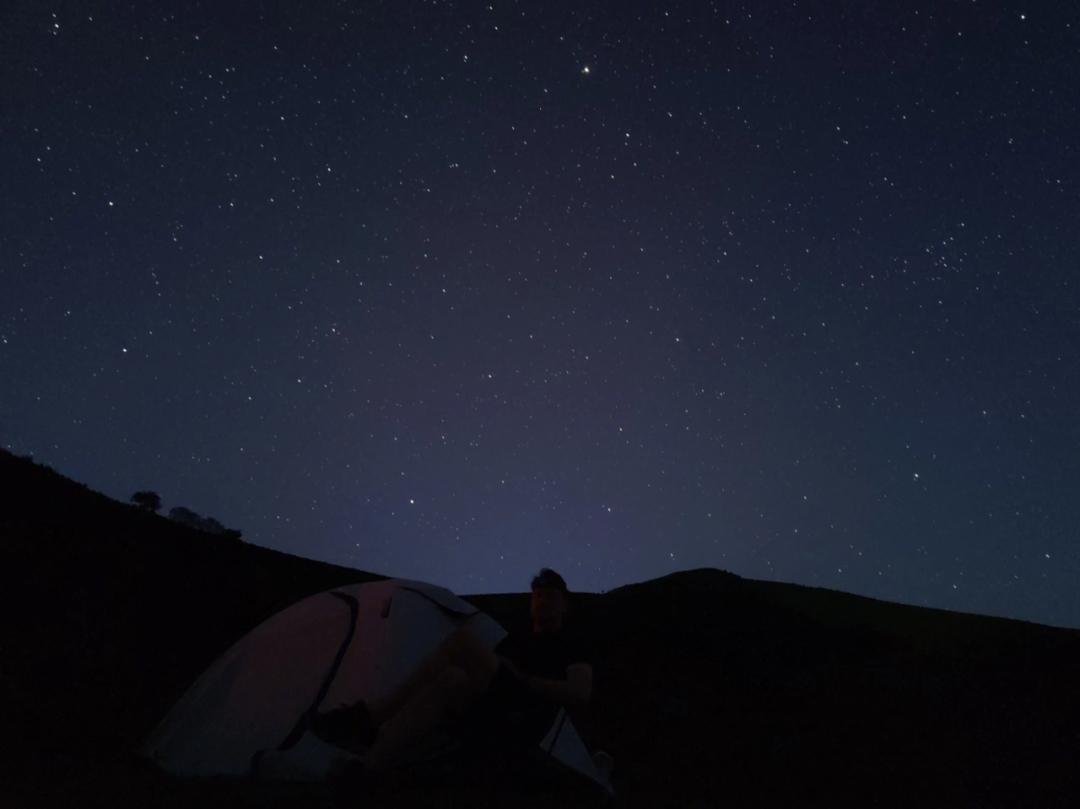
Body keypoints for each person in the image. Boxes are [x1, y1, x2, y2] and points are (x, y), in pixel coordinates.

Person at [309, 568, 593, 791]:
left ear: (565, 606)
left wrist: (524, 678)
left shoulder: (570, 644)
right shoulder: (515, 641)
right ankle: (370, 766)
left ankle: (371, 716)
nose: (543, 601)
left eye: (552, 596)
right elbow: (482, 677)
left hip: (527, 714)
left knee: (461, 642)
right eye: (538, 595)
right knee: (451, 677)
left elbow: (580, 693)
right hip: (494, 708)